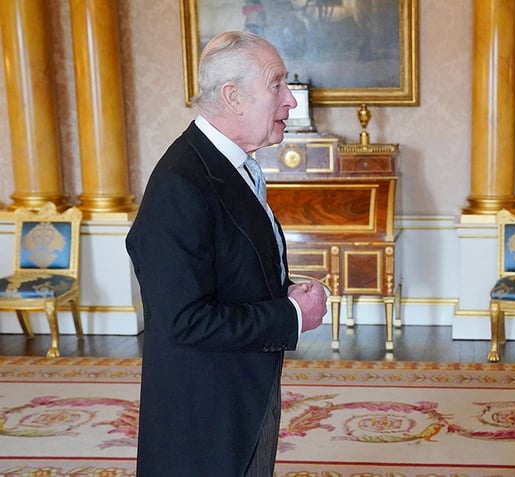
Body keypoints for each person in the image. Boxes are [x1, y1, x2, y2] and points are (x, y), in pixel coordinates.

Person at [126, 30, 328, 476]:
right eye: (278, 85)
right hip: (205, 414)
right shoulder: (182, 183)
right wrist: (293, 315)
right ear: (234, 97)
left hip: (240, 392)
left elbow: (229, 264)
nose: (291, 101)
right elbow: (184, 319)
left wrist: (281, 289)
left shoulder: (229, 165)